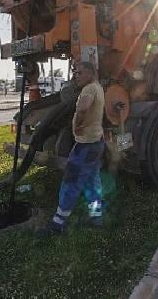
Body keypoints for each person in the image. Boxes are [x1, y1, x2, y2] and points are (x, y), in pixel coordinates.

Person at [38, 62, 105, 236]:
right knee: (92, 182)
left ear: (90, 74)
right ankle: (96, 218)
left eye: (80, 73)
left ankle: (57, 224)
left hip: (85, 146)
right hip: (96, 144)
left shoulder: (89, 89)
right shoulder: (97, 86)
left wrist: (78, 125)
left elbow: (83, 108)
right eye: (75, 72)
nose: (76, 75)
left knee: (71, 181)